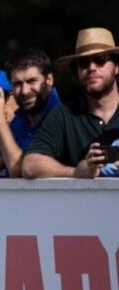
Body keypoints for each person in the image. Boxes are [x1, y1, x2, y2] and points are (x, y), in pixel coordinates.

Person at [23, 28, 119, 179]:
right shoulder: (64, 114)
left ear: (116, 67)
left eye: (100, 59)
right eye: (83, 63)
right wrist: (77, 172)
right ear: (77, 72)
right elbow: (30, 165)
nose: (91, 68)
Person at [0, 51, 59, 178]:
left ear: (49, 79)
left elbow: (19, 171)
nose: (25, 91)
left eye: (32, 81)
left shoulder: (62, 116)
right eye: (17, 84)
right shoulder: (20, 120)